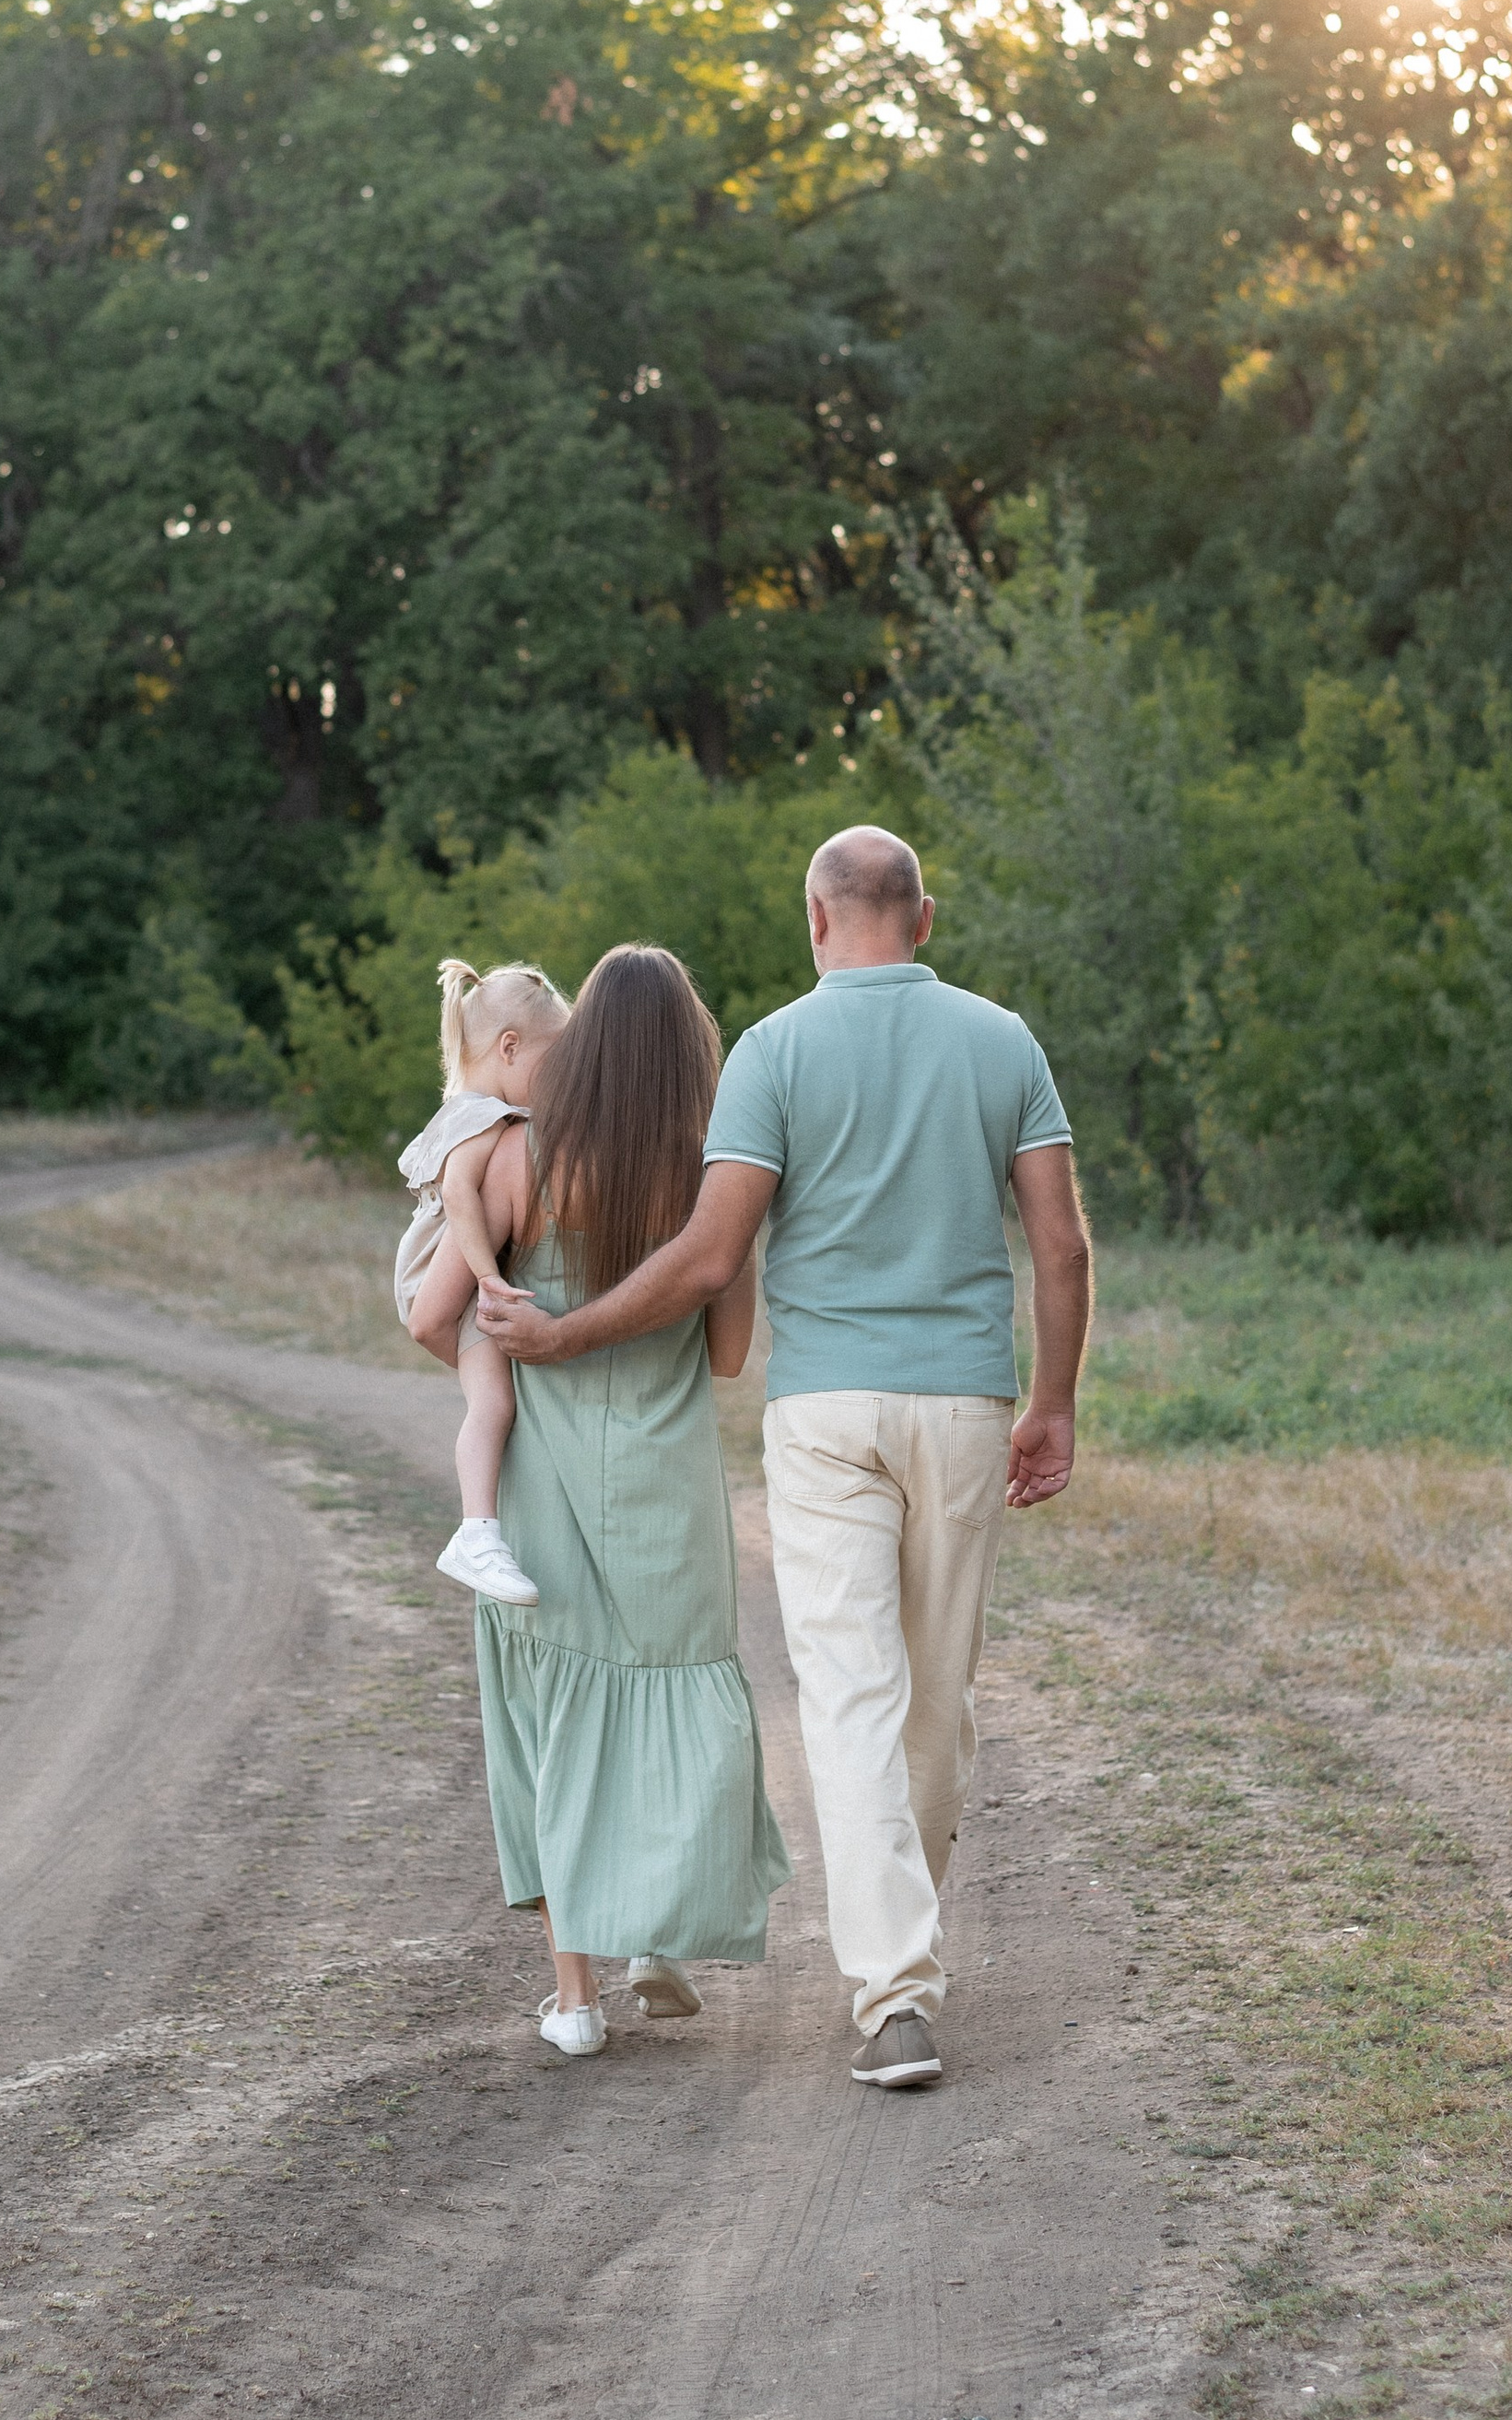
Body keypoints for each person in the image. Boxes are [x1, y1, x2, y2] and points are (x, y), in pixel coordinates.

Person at [479, 827, 1091, 2094]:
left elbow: (710, 1257)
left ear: (816, 920)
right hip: (965, 1405)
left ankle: (896, 1994)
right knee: (933, 1698)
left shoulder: (771, 1050)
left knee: (853, 1697)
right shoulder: (1005, 1042)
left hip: (824, 1417)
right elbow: (1062, 1246)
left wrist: (565, 1332)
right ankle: (901, 1964)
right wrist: (1055, 1403)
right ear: (923, 917)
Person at [409, 945, 792, 2059]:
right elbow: (727, 1354)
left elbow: (432, 1316)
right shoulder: (714, 1177)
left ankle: (574, 2000)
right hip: (667, 1486)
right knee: (673, 1704)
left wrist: (501, 1365)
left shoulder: (516, 1158)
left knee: (554, 1721)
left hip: (545, 1481)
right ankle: (658, 1935)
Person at [394, 958, 570, 1604]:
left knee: (497, 1400)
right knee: (494, 1404)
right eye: (552, 1064)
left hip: (451, 1269)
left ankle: (485, 1528)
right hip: (444, 1272)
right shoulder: (485, 1116)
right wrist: (490, 1277)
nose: (557, 1081)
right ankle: (476, 1535)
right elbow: (461, 1196)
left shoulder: (470, 1107)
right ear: (509, 1047)